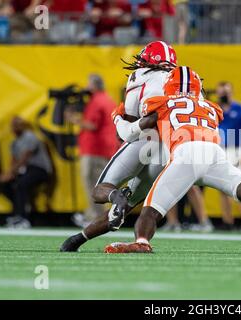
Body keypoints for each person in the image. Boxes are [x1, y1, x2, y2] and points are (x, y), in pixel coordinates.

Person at [103, 66, 241, 253]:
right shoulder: (212, 106)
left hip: (186, 154)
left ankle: (142, 242)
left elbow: (136, 127)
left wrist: (119, 119)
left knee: (150, 210)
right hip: (213, 153)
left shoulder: (159, 102)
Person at [60, 41, 178, 252]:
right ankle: (82, 240)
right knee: (141, 205)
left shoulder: (140, 75)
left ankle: (116, 198)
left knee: (101, 191)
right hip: (170, 146)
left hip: (144, 138)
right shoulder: (183, 80)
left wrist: (123, 126)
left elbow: (134, 116)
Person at [65, 74, 119, 224]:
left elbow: (92, 125)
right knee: (98, 183)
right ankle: (97, 216)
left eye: (89, 84)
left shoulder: (96, 101)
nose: (86, 88)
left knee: (92, 184)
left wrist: (72, 118)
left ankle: (95, 218)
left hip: (95, 149)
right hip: (104, 148)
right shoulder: (107, 99)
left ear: (94, 85)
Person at [216, 81, 241, 231]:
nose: (223, 95)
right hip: (220, 149)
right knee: (222, 187)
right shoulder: (215, 108)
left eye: (225, 92)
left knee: (240, 185)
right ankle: (228, 221)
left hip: (236, 149)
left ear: (231, 92)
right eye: (221, 92)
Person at [0, 116, 53, 228]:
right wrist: (10, 174)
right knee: (4, 185)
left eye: (17, 124)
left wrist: (10, 173)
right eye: (13, 125)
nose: (15, 127)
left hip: (40, 169)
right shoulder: (14, 143)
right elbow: (13, 161)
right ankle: (19, 211)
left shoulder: (30, 136)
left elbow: (25, 157)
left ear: (23, 125)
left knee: (21, 184)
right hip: (25, 170)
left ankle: (23, 218)